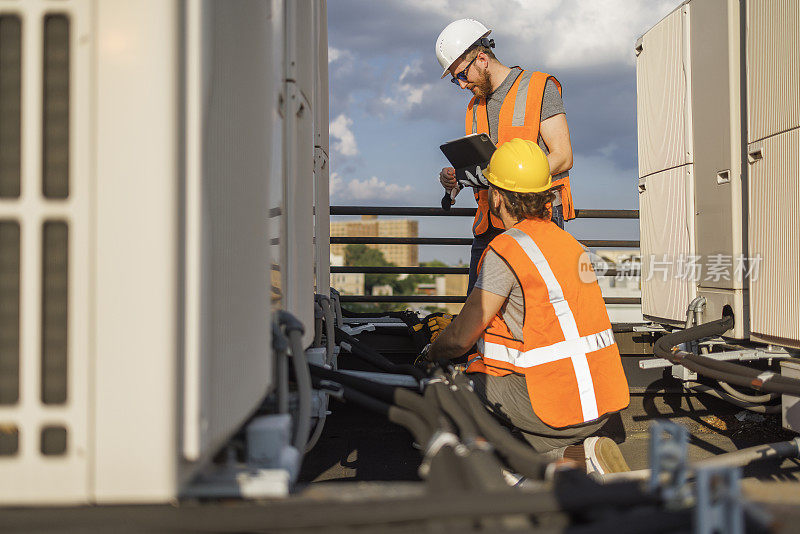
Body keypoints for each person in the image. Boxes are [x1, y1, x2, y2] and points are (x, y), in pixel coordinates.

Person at [425, 138, 630, 474]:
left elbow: (461, 338)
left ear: (497, 195)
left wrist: (433, 352)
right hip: (599, 404)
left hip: (550, 405)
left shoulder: (505, 250)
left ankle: (509, 480)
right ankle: (577, 457)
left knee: (448, 392)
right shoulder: (570, 243)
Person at [435, 18, 576, 292]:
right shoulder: (474, 106)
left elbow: (563, 156)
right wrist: (458, 179)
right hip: (488, 226)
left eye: (462, 75)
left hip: (536, 220)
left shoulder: (539, 87)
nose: (462, 85)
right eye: (455, 80)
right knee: (478, 318)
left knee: (535, 308)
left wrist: (513, 177)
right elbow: (487, 166)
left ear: (482, 59)